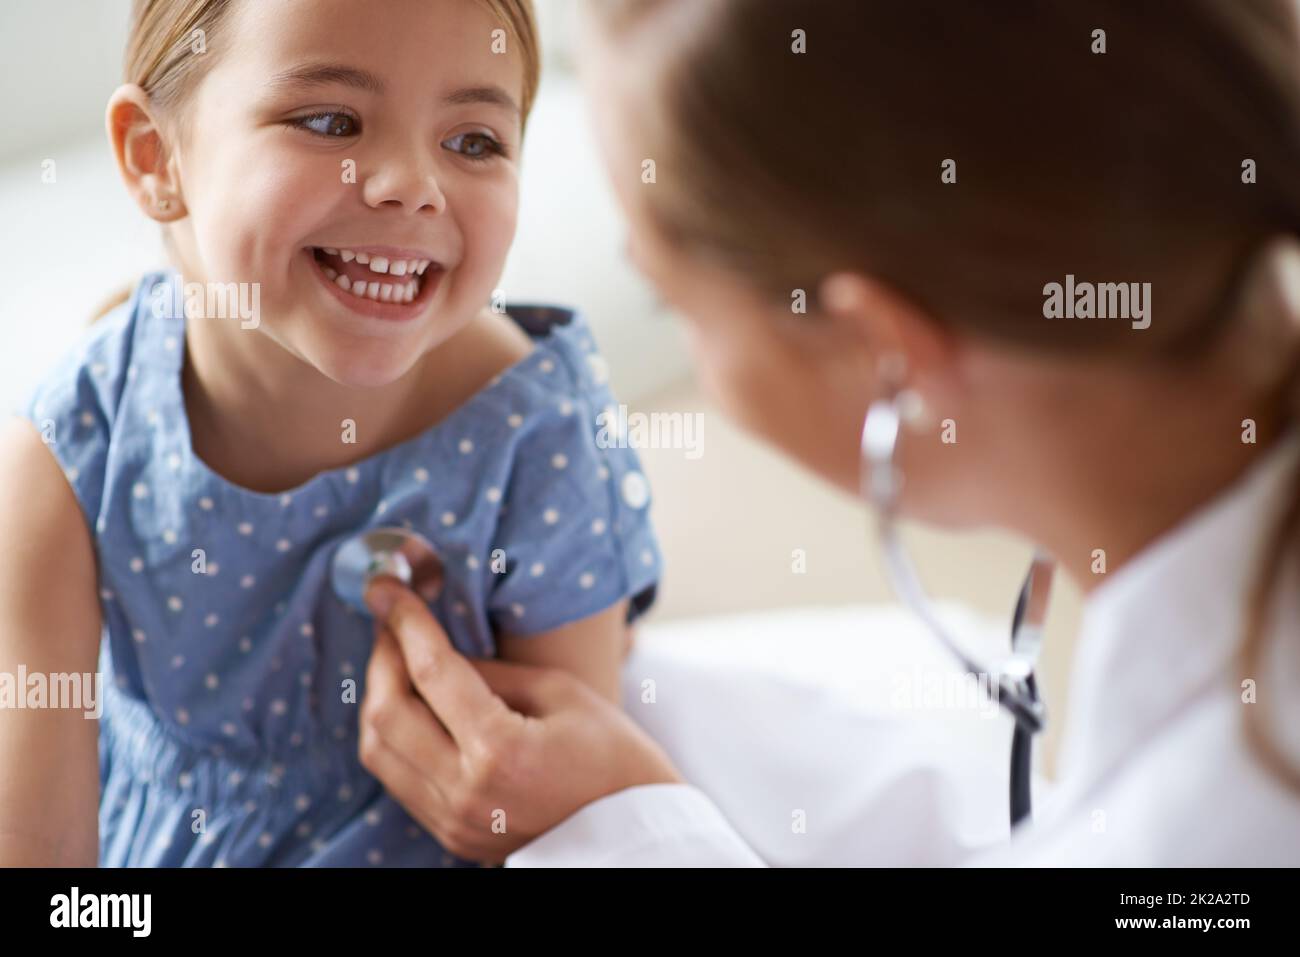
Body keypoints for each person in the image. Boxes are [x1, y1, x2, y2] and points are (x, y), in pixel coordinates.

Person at [355, 0, 1300, 866]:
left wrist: (627, 837)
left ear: (885, 354)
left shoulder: (1232, 818)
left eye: (669, 296)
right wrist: (625, 743)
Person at [0, 0, 662, 866]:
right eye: (328, 121)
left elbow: (566, 820)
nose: (410, 184)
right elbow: (39, 848)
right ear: (155, 156)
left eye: (473, 141)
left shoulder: (538, 434)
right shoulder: (73, 445)